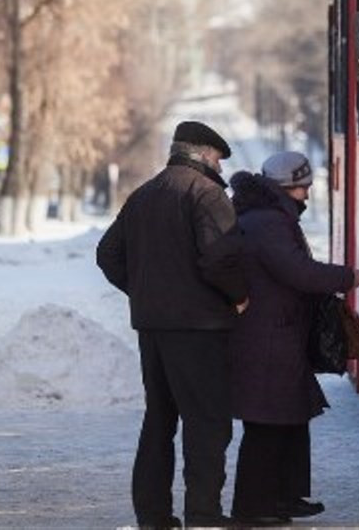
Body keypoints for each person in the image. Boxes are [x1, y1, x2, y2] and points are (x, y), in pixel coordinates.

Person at [96, 121, 248, 529]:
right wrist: (238, 296)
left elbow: (108, 254)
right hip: (201, 330)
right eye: (216, 156)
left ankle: (154, 516)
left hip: (154, 329)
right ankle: (204, 514)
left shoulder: (145, 194)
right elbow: (221, 258)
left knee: (159, 421)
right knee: (207, 423)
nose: (219, 164)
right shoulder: (206, 194)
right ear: (201, 153)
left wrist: (145, 293)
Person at [228, 151, 359, 525]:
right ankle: (252, 509)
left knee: (289, 418)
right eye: (303, 187)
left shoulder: (267, 218)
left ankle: (285, 498)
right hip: (267, 338)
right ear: (288, 187)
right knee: (267, 426)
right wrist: (345, 277)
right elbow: (298, 271)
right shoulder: (268, 223)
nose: (307, 195)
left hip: (279, 335)